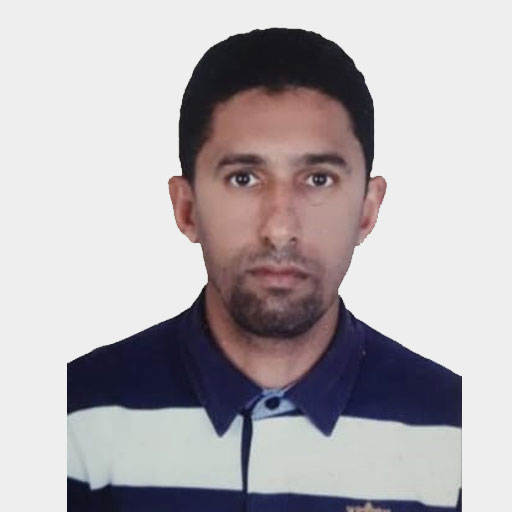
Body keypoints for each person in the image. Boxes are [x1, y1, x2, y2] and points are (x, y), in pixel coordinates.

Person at [67, 28, 461, 512]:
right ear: (187, 208)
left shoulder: (460, 435)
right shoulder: (74, 422)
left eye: (319, 179)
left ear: (368, 209)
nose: (279, 229)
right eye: (244, 178)